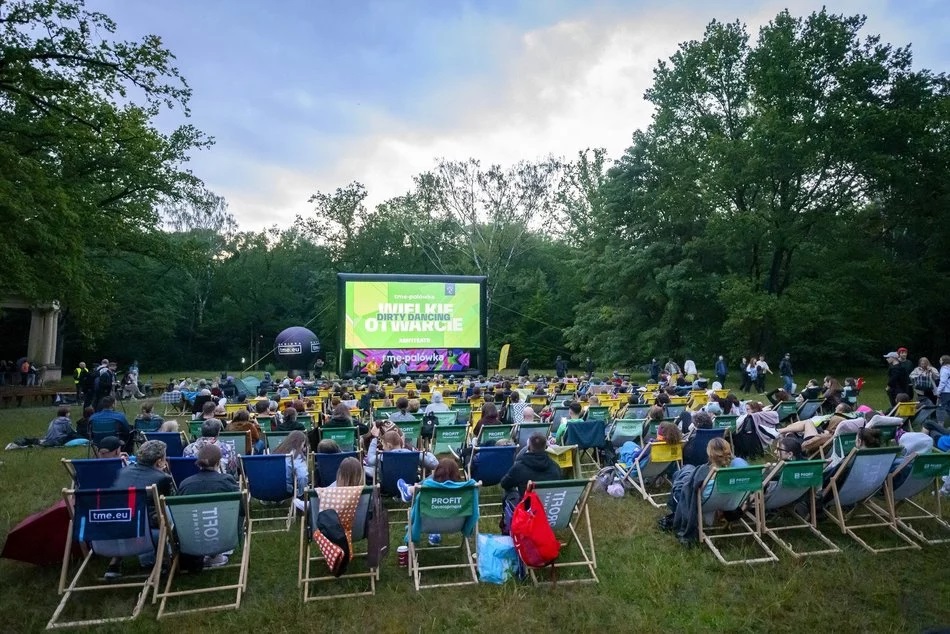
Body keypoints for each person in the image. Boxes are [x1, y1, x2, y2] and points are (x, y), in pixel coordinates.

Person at [106, 440, 175, 578]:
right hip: (147, 531)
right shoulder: (162, 478)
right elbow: (173, 502)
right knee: (169, 516)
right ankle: (163, 560)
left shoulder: (122, 472)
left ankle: (115, 561)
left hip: (116, 527)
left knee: (128, 514)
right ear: (159, 461)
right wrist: (168, 474)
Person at [274, 430, 309, 510]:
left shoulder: (274, 452)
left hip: (266, 489)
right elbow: (302, 477)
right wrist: (301, 494)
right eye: (303, 444)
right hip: (284, 489)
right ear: (300, 443)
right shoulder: (296, 456)